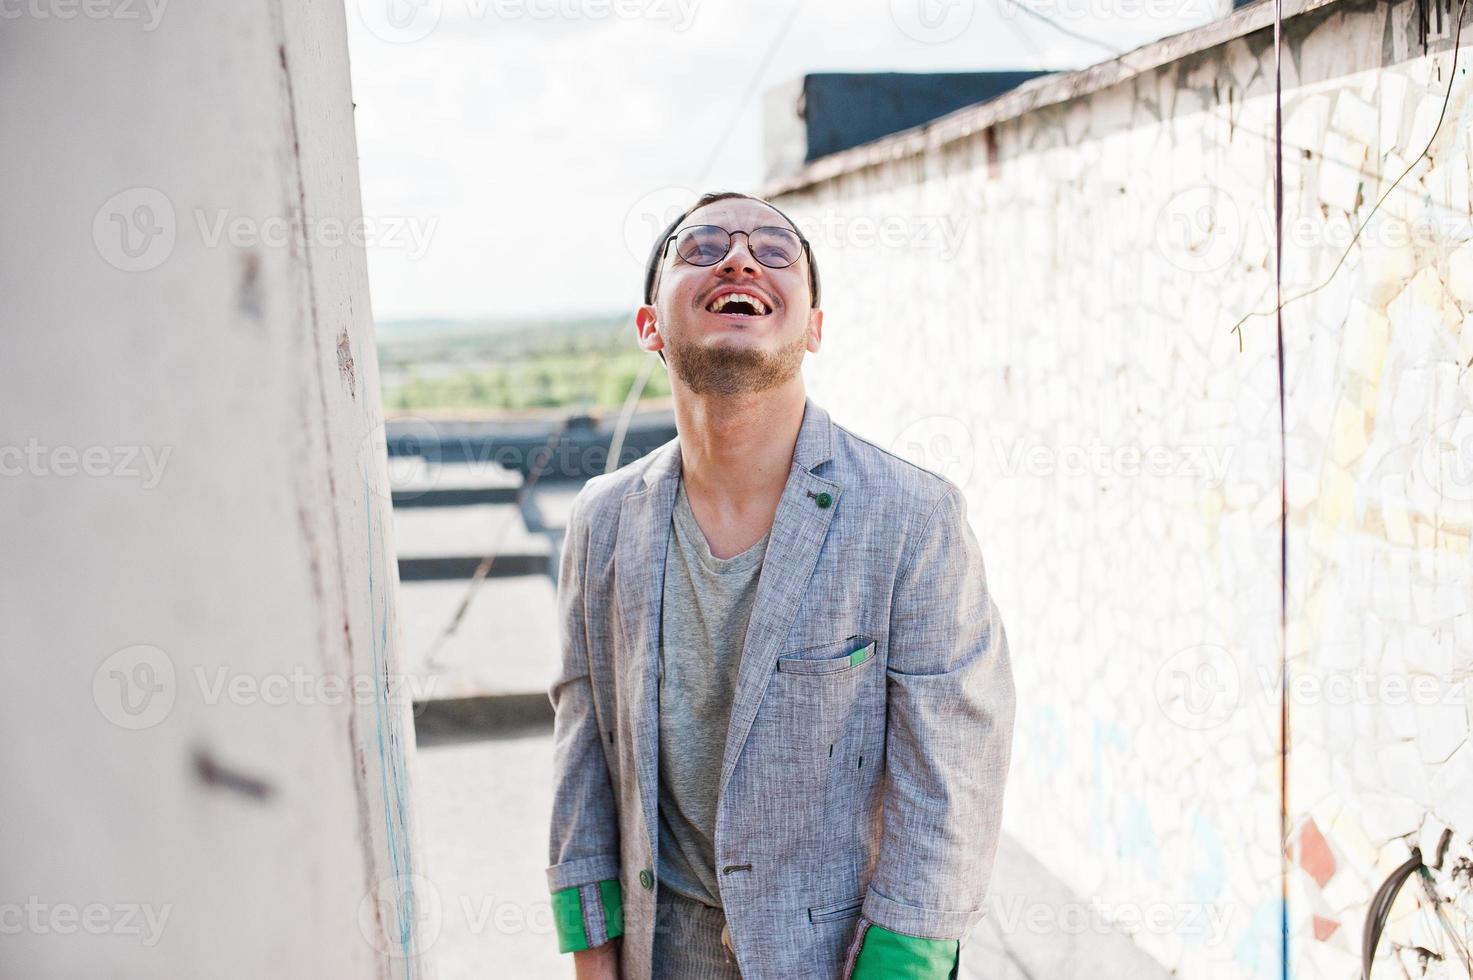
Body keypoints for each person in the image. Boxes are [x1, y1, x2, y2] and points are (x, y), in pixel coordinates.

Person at [545, 190, 1015, 979]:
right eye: (700, 248)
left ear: (815, 327)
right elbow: (582, 751)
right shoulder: (603, 520)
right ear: (649, 326)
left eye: (774, 249)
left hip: (840, 963)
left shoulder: (910, 516)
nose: (738, 258)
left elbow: (952, 782)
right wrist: (594, 962)